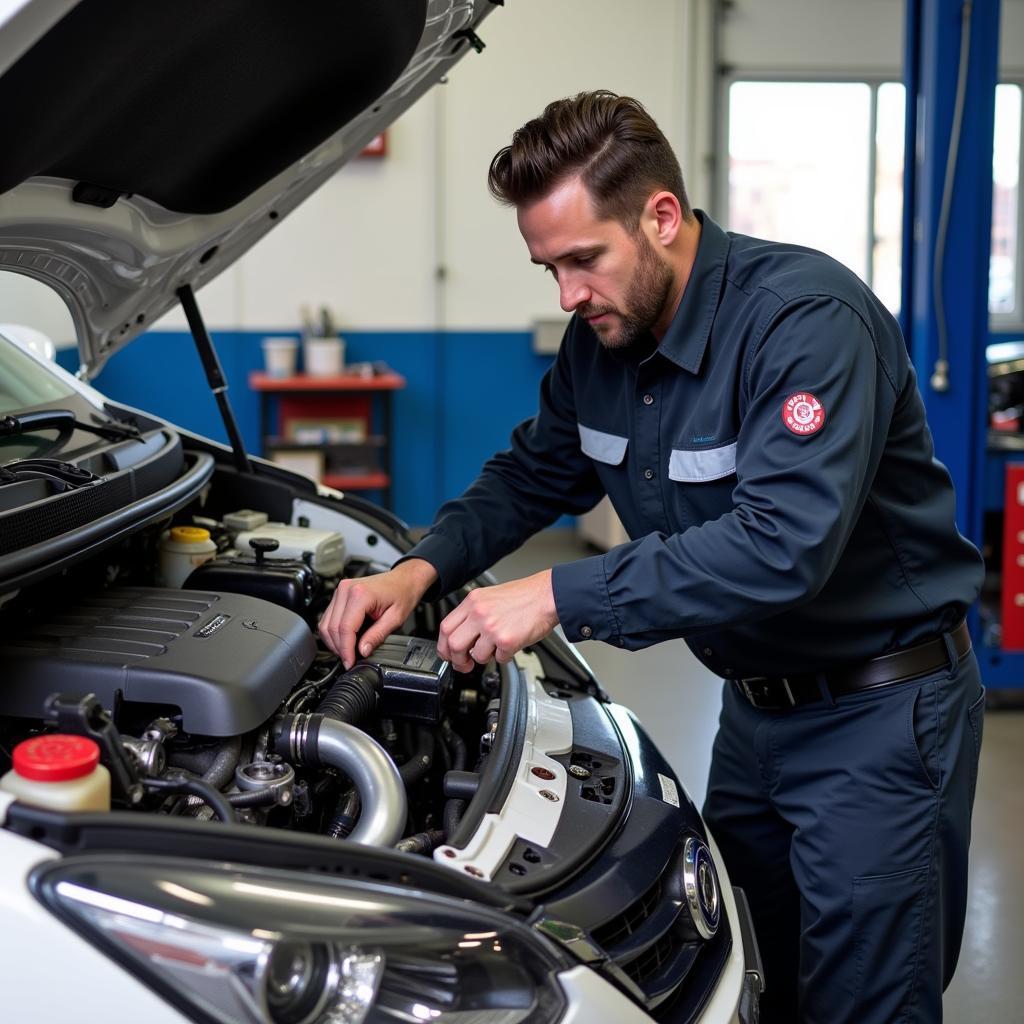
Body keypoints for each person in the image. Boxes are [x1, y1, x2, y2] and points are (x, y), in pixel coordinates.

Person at [319, 91, 985, 1023]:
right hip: (756, 714)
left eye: (584, 259)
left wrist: (553, 594)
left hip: (879, 715)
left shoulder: (806, 323)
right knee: (754, 969)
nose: (567, 295)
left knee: (865, 1002)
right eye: (548, 268)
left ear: (661, 217)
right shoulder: (603, 343)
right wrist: (418, 567)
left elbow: (781, 544)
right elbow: (532, 472)